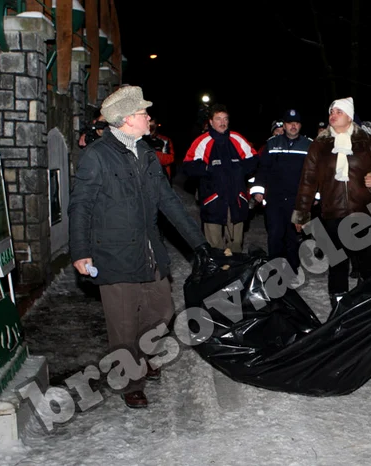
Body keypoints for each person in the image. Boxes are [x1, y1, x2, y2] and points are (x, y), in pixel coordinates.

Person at [68, 86, 212, 409]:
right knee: (123, 326)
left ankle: (145, 357)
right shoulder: (97, 156)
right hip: (114, 255)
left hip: (149, 252)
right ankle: (131, 381)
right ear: (126, 119)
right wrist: (80, 251)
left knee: (162, 312)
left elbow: (169, 202)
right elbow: (80, 206)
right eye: (143, 112)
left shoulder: (146, 153)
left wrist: (199, 244)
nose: (149, 117)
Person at [292, 97, 371, 309]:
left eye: (338, 111)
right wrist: (302, 213)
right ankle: (339, 308)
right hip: (331, 214)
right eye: (331, 111)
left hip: (363, 213)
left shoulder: (367, 142)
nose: (333, 114)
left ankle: (370, 304)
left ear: (349, 115)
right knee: (337, 264)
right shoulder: (319, 145)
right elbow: (307, 180)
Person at [183, 103, 258, 253]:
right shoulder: (203, 141)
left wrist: (240, 169)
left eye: (225, 119)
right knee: (215, 245)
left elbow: (254, 159)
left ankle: (235, 271)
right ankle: (218, 272)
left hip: (236, 199)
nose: (222, 122)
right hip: (213, 200)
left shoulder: (237, 138)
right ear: (211, 122)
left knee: (236, 244)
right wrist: (208, 169)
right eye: (218, 119)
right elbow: (188, 166)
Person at [251, 108, 312, 277]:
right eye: (290, 123)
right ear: (283, 125)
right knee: (275, 235)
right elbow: (263, 169)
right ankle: (274, 272)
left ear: (300, 126)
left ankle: (292, 271)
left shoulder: (308, 145)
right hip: (275, 200)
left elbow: (314, 174)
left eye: (297, 123)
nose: (293, 126)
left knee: (294, 237)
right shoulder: (272, 143)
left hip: (297, 200)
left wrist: (315, 196)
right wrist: (258, 190)